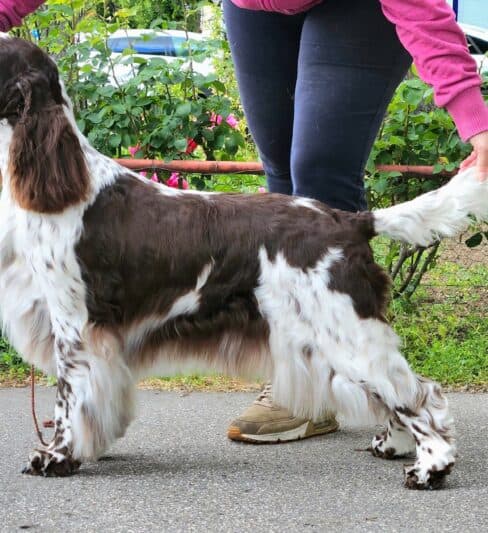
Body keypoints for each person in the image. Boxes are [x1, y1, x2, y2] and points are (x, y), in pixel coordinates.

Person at [2, 0, 488, 444]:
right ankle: (359, 389)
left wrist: (476, 122)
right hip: (255, 8)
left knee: (316, 174)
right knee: (281, 177)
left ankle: (371, 388)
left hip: (356, 10)